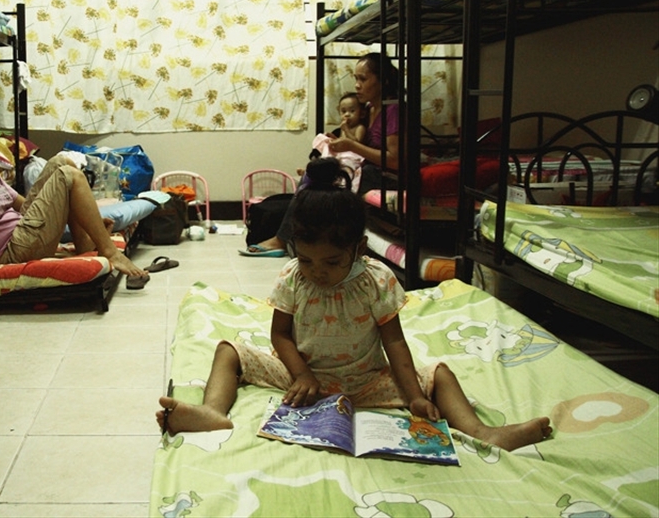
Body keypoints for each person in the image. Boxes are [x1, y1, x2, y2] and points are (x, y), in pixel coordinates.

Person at [162, 158, 552, 452]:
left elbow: (395, 343)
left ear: (359, 249)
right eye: (308, 260)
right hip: (305, 376)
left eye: (332, 262)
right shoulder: (292, 277)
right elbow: (279, 335)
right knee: (229, 351)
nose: (319, 272)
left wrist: (414, 394)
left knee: (440, 374)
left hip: (366, 380)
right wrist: (301, 375)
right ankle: (214, 413)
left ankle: (483, 432)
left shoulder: (376, 280)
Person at [0, 105, 147, 279]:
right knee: (69, 175)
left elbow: (27, 206)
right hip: (7, 251)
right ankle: (109, 251)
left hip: (23, 233)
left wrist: (82, 214)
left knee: (61, 161)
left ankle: (84, 242)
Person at [244, 52, 399, 256]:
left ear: (383, 80)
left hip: (383, 175)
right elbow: (359, 143)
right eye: (356, 78)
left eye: (363, 78)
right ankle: (295, 238)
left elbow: (395, 161)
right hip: (364, 166)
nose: (357, 85)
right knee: (315, 172)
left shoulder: (393, 110)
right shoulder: (368, 109)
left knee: (321, 179)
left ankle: (286, 239)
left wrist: (351, 146)